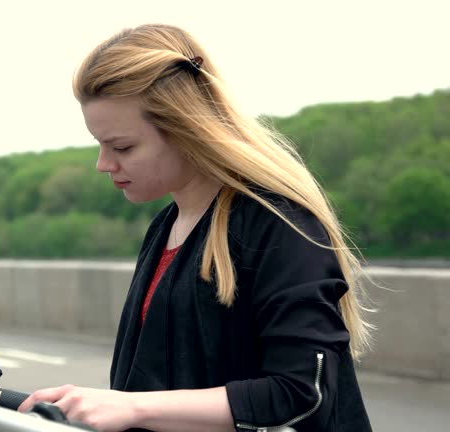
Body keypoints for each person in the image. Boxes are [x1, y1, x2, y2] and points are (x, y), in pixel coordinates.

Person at [18, 24, 373, 432]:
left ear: (186, 129)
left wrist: (134, 408)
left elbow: (301, 394)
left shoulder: (277, 222)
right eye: (99, 144)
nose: (104, 164)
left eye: (122, 147)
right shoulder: (165, 227)